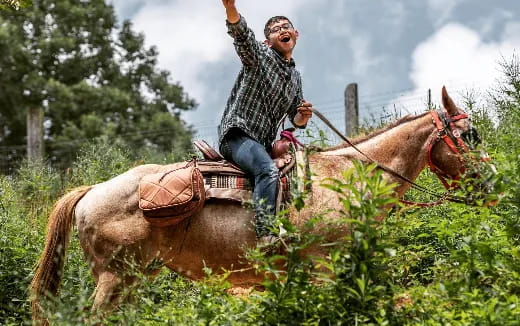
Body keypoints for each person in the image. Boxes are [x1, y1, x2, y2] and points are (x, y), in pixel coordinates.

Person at [218, 0, 313, 245]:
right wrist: (231, 9)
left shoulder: (295, 77)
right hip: (237, 135)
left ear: (296, 34)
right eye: (275, 29)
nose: (282, 30)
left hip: (260, 142)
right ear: (267, 41)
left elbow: (295, 118)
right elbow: (242, 36)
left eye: (286, 26)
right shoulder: (259, 56)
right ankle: (265, 234)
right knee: (267, 170)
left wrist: (303, 115)